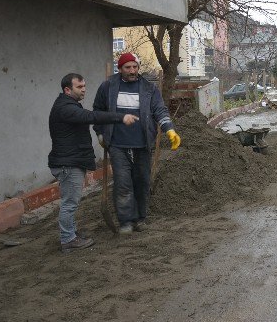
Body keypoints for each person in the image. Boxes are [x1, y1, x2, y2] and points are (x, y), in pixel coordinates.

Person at [49, 73, 139, 253]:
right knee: (70, 203)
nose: (84, 89)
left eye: (84, 86)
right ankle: (68, 240)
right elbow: (92, 116)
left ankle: (71, 233)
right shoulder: (66, 108)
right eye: (79, 87)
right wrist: (120, 117)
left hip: (71, 161)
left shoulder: (69, 105)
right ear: (67, 90)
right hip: (68, 163)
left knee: (71, 201)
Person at [93, 53, 181, 234]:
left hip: (142, 144)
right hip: (117, 144)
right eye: (128, 67)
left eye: (135, 67)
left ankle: (140, 218)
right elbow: (98, 111)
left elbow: (160, 110)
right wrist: (100, 133)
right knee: (123, 183)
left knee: (141, 182)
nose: (132, 71)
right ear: (120, 69)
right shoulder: (108, 87)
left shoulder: (149, 88)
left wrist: (169, 129)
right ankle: (126, 221)